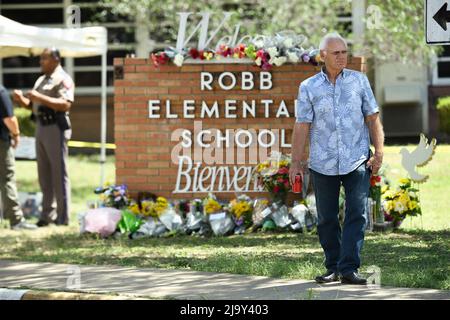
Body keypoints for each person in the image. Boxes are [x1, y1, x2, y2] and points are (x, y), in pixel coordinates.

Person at [289, 33, 385, 285]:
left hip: (357, 160)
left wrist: (379, 152)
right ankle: (333, 267)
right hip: (323, 163)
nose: (342, 57)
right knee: (327, 218)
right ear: (323, 56)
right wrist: (295, 162)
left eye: (345, 52)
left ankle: (349, 268)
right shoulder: (308, 87)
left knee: (357, 214)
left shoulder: (359, 81)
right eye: (336, 53)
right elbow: (301, 126)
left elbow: (373, 118)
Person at [13, 48, 74, 227]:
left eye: (44, 59)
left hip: (56, 127)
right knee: (44, 174)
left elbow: (65, 105)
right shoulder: (41, 79)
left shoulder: (63, 79)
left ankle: (63, 217)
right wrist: (21, 100)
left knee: (59, 173)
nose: (41, 62)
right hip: (40, 127)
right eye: (40, 59)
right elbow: (32, 105)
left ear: (55, 59)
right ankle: (47, 215)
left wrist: (40, 97)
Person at [0, 84, 36, 230]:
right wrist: (16, 134)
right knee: (7, 179)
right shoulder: (1, 92)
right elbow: (9, 119)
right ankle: (16, 220)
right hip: (1, 142)